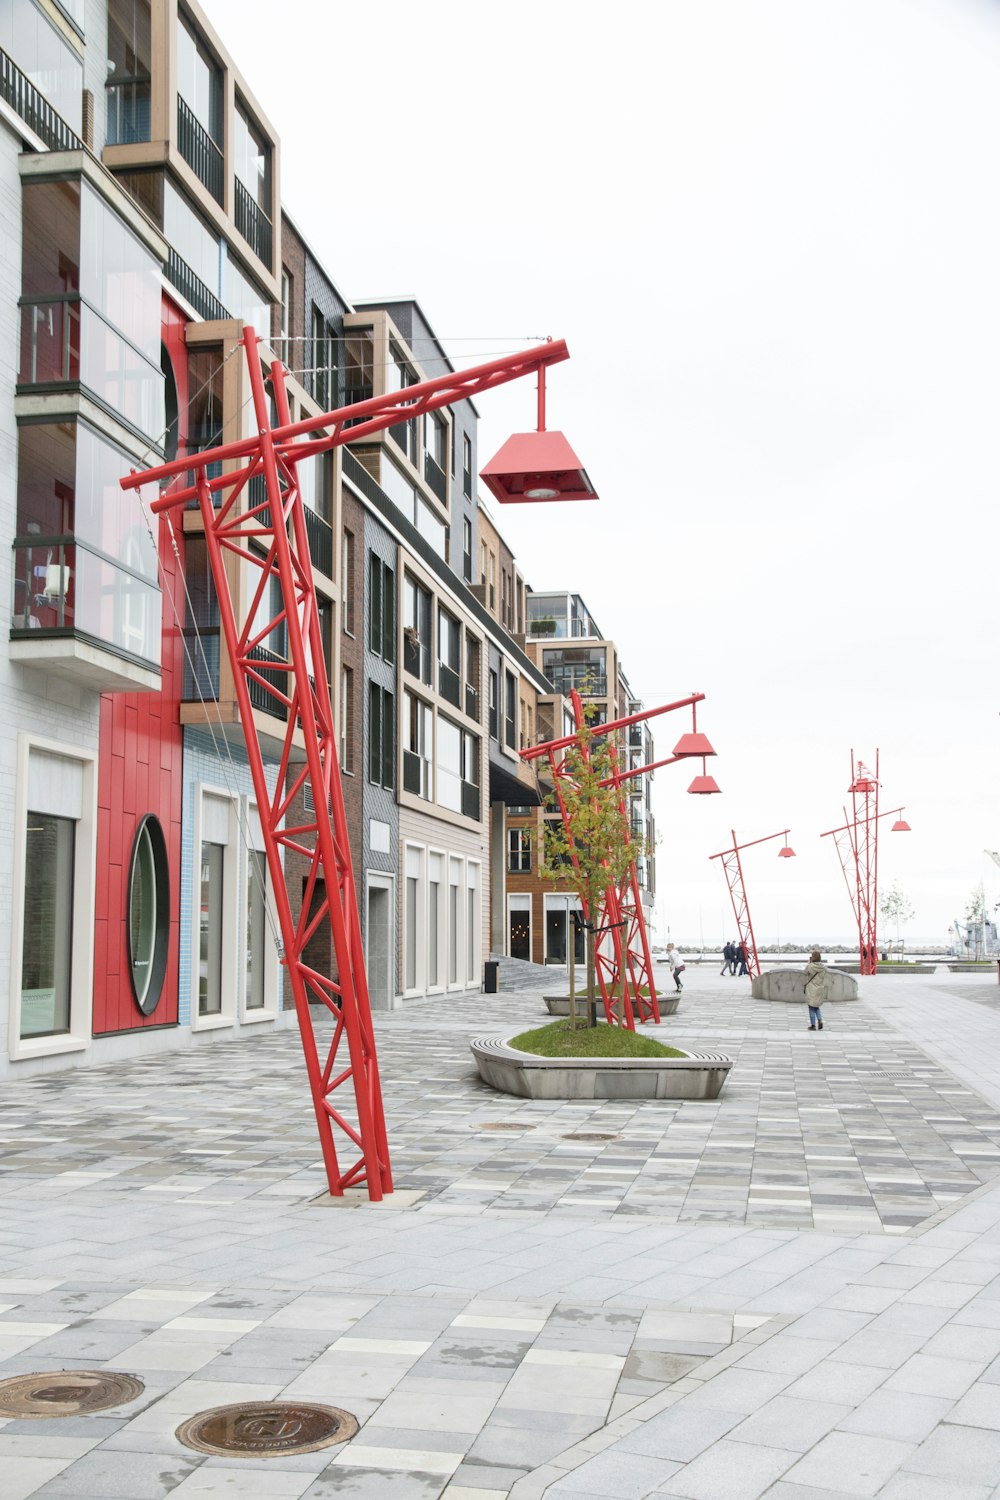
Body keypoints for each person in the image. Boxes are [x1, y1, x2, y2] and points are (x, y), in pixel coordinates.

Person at [804, 948, 828, 1030]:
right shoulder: (823, 967)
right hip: (819, 989)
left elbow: (804, 972)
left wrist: (809, 962)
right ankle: (820, 1020)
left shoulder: (810, 966)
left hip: (811, 989)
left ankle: (813, 1025)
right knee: (816, 1006)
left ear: (813, 957)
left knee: (811, 1007)